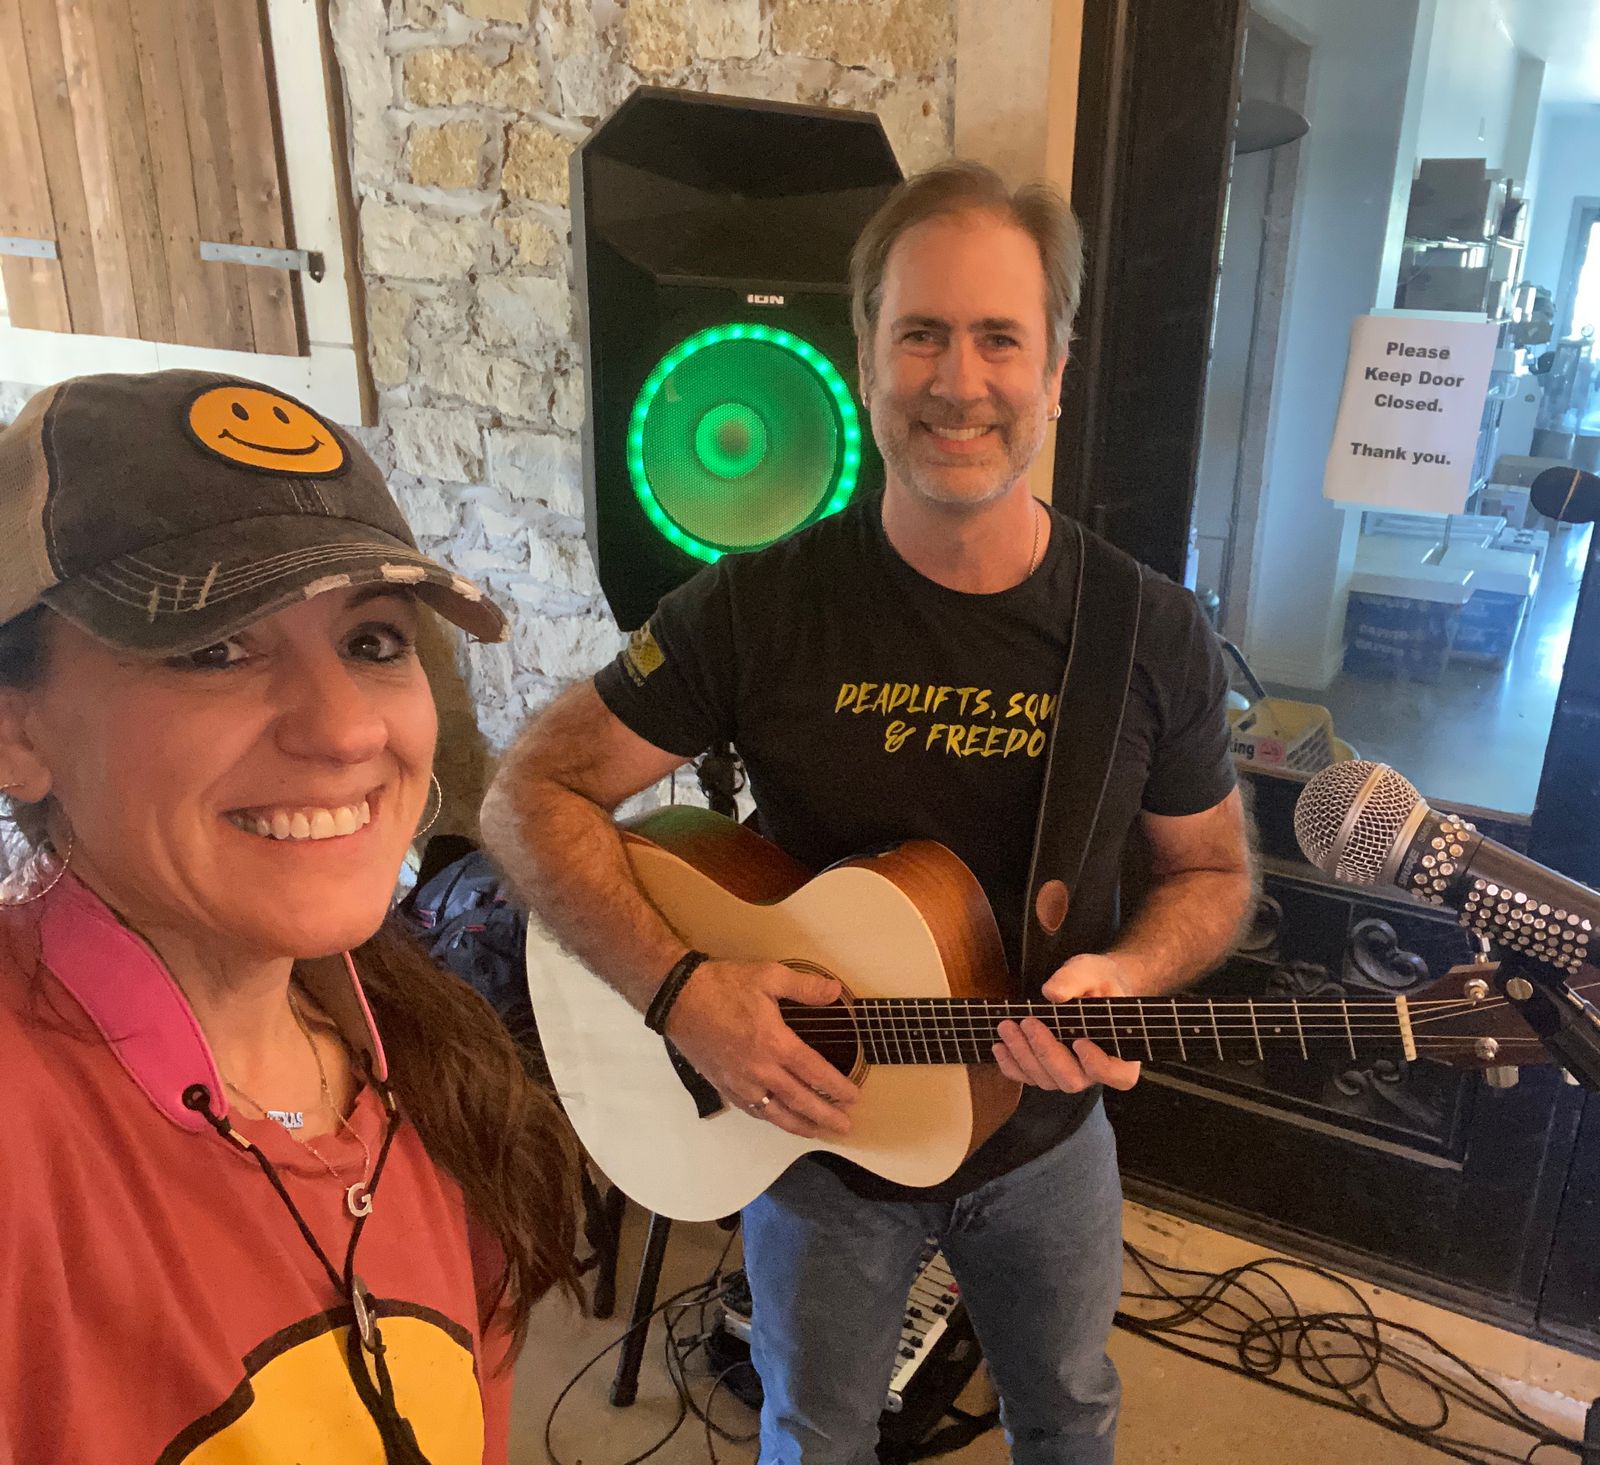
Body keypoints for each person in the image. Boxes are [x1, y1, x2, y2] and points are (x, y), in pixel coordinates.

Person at [482, 162, 1255, 1464]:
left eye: (999, 338)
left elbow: (1213, 874)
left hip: (1044, 1143)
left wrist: (1129, 972)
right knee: (815, 1433)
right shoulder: (757, 605)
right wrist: (681, 991)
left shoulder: (1149, 631)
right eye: (922, 334)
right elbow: (526, 797)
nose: (959, 381)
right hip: (816, 1137)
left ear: (1056, 374)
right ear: (866, 356)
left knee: (1069, 1416)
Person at [0, 370, 580, 1465]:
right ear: (17, 731)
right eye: (214, 647)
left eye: (373, 642)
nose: (347, 729)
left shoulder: (439, 1075)